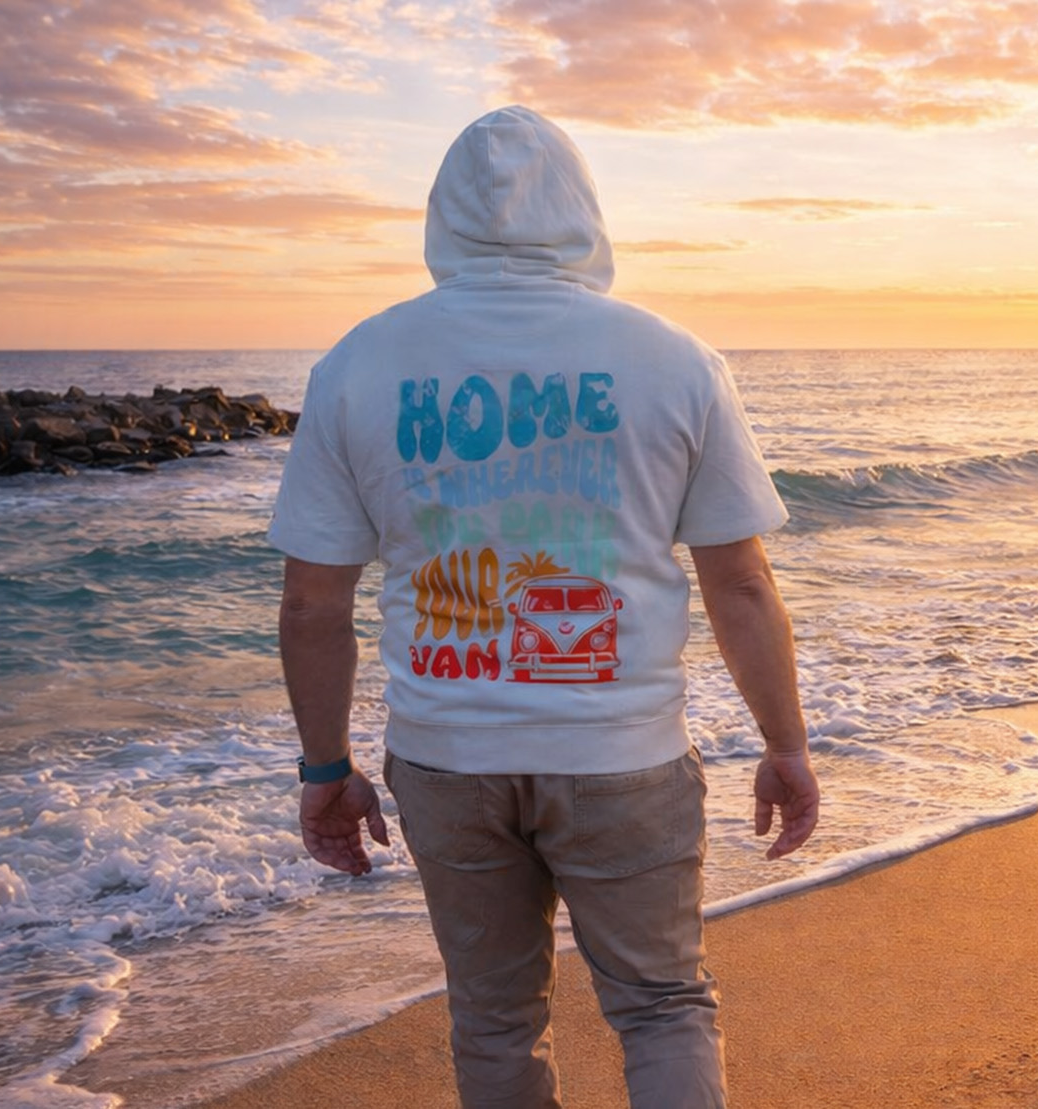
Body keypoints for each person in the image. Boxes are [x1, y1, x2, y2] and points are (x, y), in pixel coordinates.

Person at [270, 105, 819, 1108]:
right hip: (621, 754)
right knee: (659, 1005)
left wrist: (324, 768)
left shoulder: (360, 361)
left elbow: (313, 603)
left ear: (443, 217)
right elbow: (737, 579)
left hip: (447, 755)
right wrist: (784, 744)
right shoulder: (673, 359)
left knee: (492, 1016)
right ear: (582, 211)